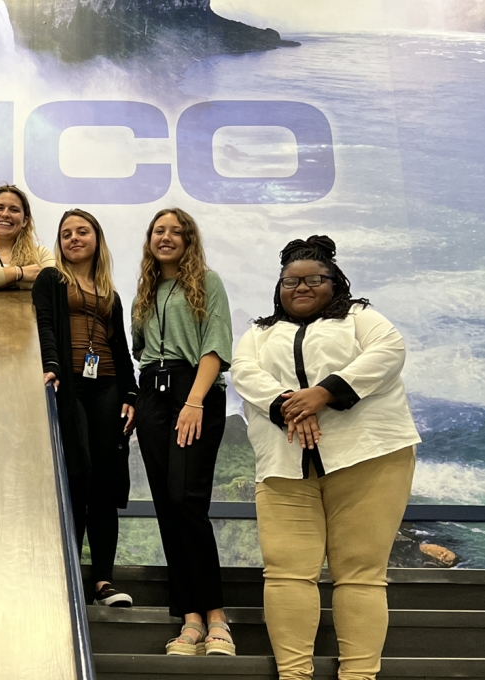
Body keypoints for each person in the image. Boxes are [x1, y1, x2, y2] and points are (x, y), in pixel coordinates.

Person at [230, 236, 420, 680]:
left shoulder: (359, 318)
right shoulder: (259, 333)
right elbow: (244, 372)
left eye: (314, 279)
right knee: (285, 573)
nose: (301, 287)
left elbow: (389, 351)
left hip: (370, 458)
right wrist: (290, 405)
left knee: (361, 575)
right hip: (283, 466)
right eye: (290, 281)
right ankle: (293, 675)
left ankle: (359, 675)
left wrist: (325, 393)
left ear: (335, 283)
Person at [131, 208, 235, 656]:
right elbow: (139, 349)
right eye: (159, 231)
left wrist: (193, 401)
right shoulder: (146, 289)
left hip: (193, 391)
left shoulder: (207, 282)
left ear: (189, 239)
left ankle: (216, 617)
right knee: (167, 507)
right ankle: (189, 618)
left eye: (176, 231)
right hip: (151, 395)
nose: (167, 237)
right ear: (150, 239)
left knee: (186, 501)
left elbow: (216, 344)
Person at [32, 208, 137, 607]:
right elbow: (45, 324)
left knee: (104, 484)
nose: (74, 238)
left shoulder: (110, 293)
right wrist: (51, 364)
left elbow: (120, 347)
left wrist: (131, 393)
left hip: (107, 386)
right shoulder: (51, 279)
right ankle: (70, 577)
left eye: (82, 231)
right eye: (66, 233)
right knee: (77, 476)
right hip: (70, 385)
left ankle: (103, 582)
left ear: (97, 239)